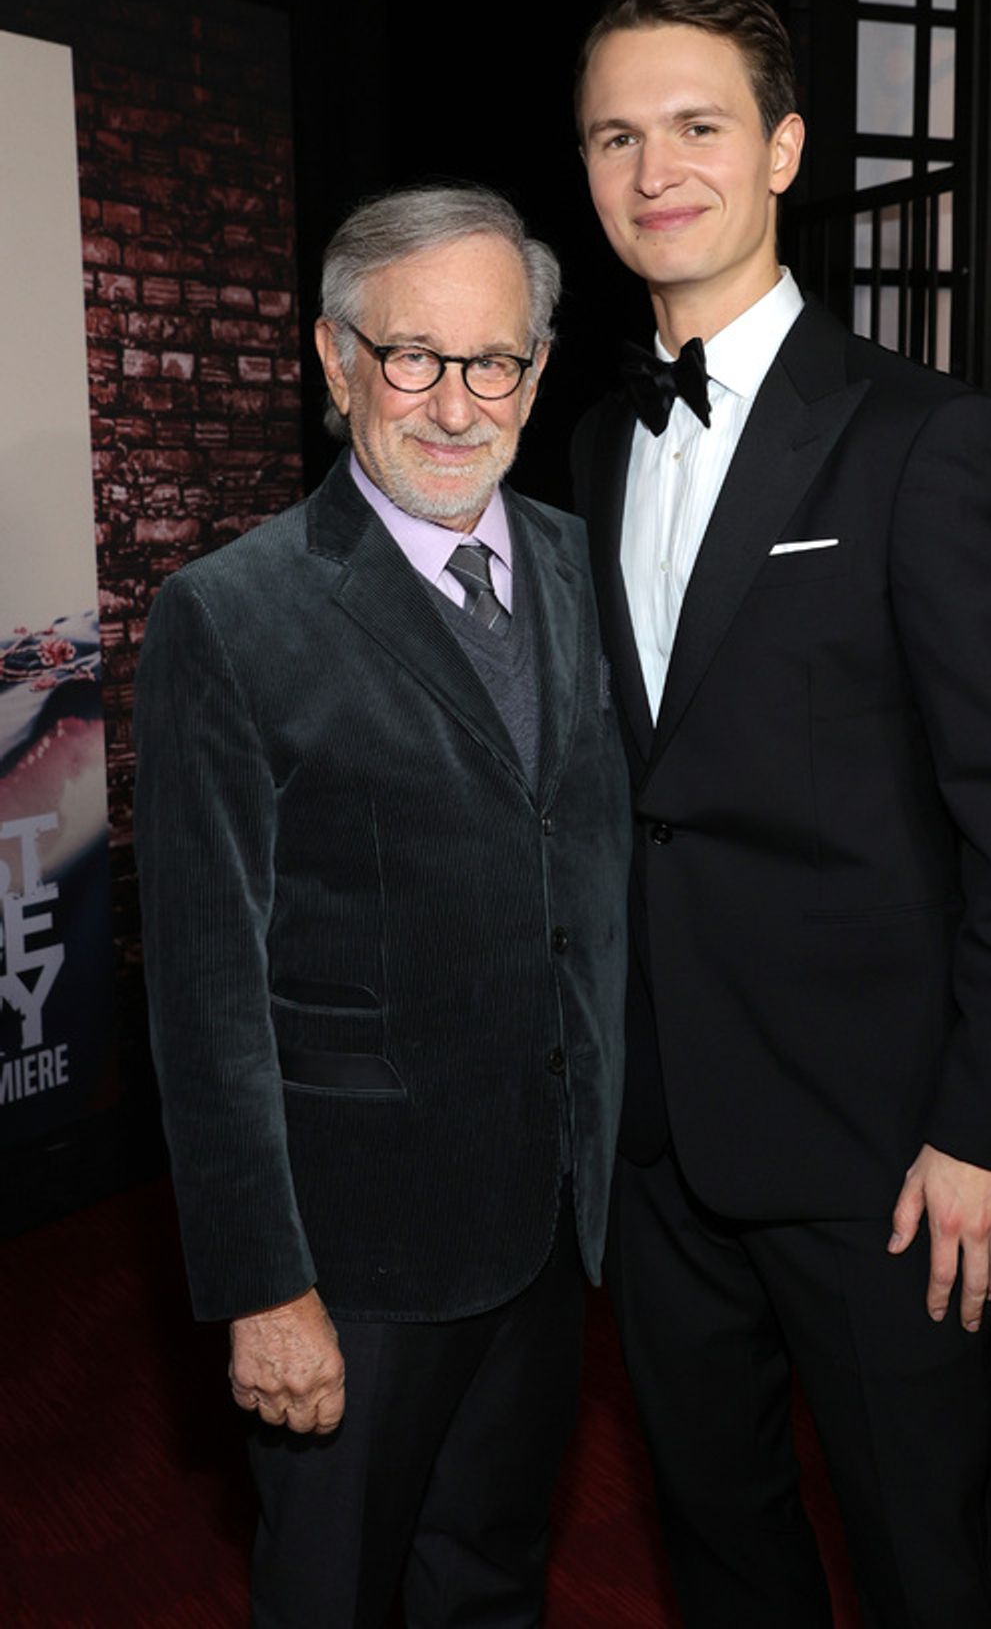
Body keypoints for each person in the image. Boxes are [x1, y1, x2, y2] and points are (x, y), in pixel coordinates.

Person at [571, 0, 991, 1627]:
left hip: (884, 1152)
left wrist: (987, 1130)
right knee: (723, 1550)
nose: (658, 169)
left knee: (927, 1566)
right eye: (617, 136)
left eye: (700, 126)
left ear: (785, 149)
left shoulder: (925, 439)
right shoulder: (587, 447)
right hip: (654, 1144)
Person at [134, 184, 630, 1629]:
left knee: (492, 1577)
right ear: (334, 357)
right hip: (354, 1256)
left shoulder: (572, 563)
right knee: (333, 1595)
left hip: (546, 1217)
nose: (457, 403)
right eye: (413, 355)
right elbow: (204, 995)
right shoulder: (233, 616)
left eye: (497, 362)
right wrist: (263, 1289)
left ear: (538, 370)